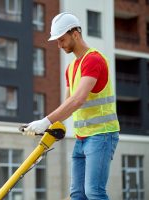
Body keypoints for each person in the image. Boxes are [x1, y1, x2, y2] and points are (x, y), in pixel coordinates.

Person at [24, 12, 120, 200]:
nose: (59, 45)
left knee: (94, 192)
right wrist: (52, 127)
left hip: (101, 135)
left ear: (75, 34)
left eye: (62, 40)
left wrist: (45, 121)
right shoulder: (72, 68)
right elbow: (68, 103)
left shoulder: (93, 60)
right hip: (82, 138)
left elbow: (78, 99)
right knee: (77, 194)